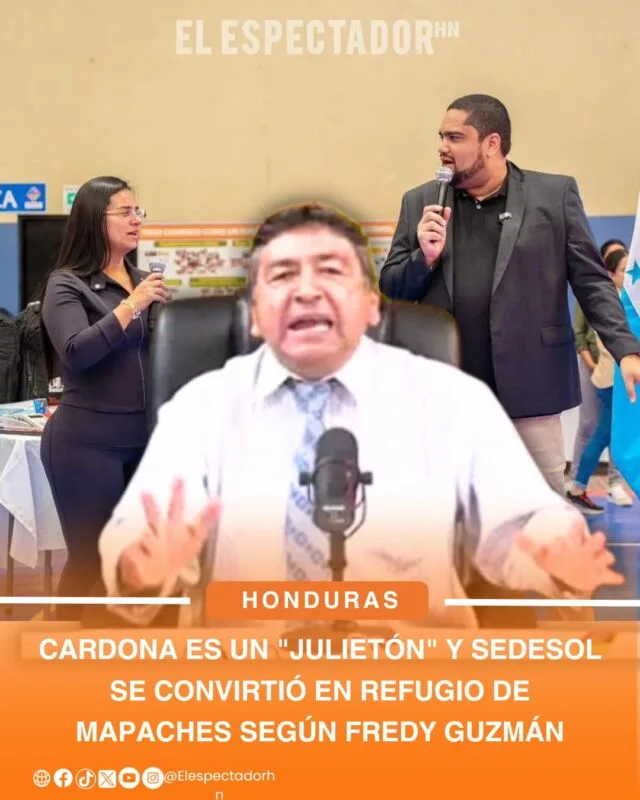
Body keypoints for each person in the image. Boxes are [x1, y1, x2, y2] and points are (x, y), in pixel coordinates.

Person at [97, 202, 622, 628]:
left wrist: (556, 550)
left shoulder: (450, 399)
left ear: (372, 304)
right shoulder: (202, 408)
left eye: (331, 272)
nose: (307, 291)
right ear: (254, 312)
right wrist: (140, 567)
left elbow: (521, 520)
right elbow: (141, 532)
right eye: (282, 276)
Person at [378, 94, 640, 497]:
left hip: (531, 390)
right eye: (441, 137)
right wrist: (423, 258)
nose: (443, 147)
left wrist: (626, 349)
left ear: (491, 143)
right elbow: (392, 285)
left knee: (540, 515)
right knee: (451, 514)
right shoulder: (420, 202)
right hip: (447, 395)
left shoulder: (553, 195)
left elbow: (592, 281)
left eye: (455, 137)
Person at [39, 176, 168, 620]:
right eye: (125, 212)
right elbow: (77, 351)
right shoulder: (65, 284)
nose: (136, 220)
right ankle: (63, 646)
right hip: (85, 444)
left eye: (138, 211)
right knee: (92, 560)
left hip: (143, 440)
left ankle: (122, 648)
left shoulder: (143, 281)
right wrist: (132, 305)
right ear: (96, 219)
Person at [568, 240, 632, 511]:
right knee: (602, 433)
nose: (629, 276)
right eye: (625, 270)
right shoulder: (610, 304)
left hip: (615, 379)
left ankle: (580, 486)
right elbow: (603, 342)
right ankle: (577, 486)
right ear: (611, 273)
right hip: (610, 379)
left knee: (606, 433)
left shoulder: (625, 300)